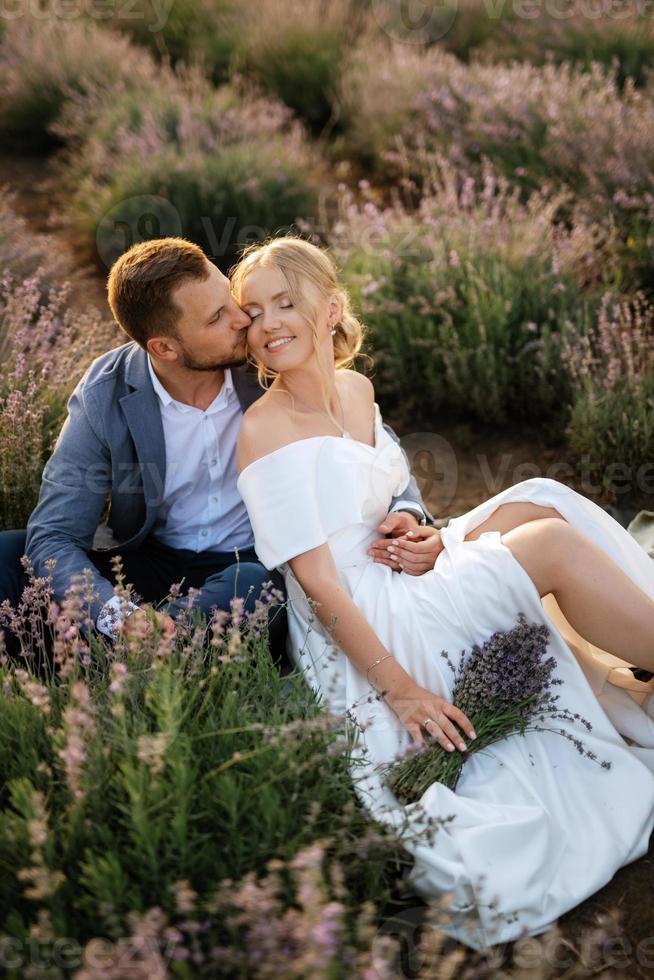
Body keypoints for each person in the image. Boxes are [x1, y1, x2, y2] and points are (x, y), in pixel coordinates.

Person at [232, 235, 654, 950]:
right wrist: (399, 690)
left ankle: (625, 663)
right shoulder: (263, 431)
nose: (268, 323)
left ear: (331, 307)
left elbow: (382, 498)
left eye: (285, 301)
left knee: (536, 503)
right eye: (252, 311)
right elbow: (318, 583)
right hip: (368, 620)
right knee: (547, 543)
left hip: (396, 566)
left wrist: (415, 524)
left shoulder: (358, 389)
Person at [0, 237, 433, 662]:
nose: (244, 321)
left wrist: (410, 510)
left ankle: (121, 667)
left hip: (253, 565)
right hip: (149, 558)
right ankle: (146, 651)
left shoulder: (266, 356)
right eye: (217, 318)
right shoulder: (106, 394)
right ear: (164, 348)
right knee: (8, 554)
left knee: (250, 590)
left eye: (231, 300)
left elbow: (366, 440)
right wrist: (121, 616)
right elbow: (54, 535)